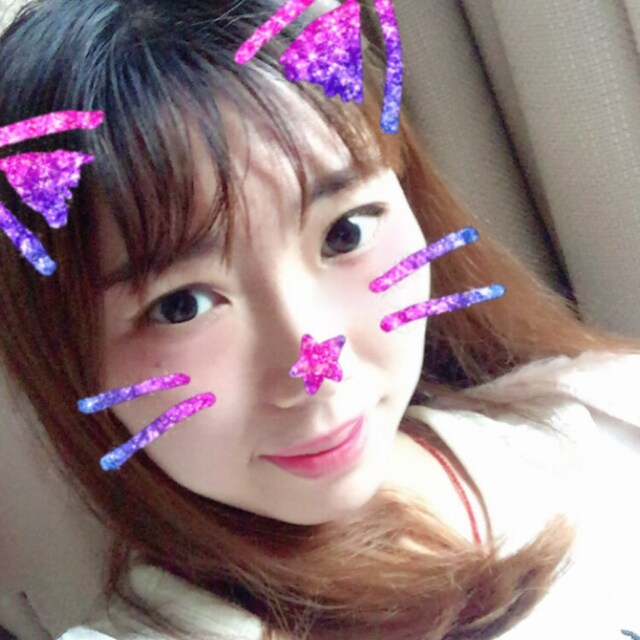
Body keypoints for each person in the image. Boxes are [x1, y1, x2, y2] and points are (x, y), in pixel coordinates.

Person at [0, 1, 638, 638]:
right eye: (181, 306)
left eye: (345, 233)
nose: (315, 364)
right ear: (66, 359)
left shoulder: (598, 421)